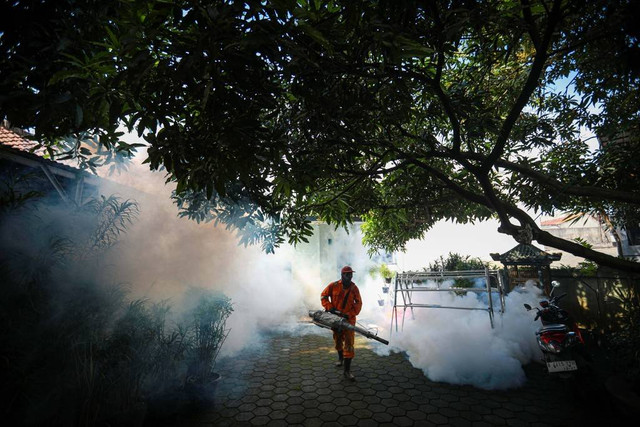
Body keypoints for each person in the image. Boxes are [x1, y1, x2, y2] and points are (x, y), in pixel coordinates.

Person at [320, 265, 362, 381]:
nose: (350, 276)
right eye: (347, 274)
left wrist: (350, 314)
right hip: (335, 319)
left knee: (349, 344)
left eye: (351, 274)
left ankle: (347, 371)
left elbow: (358, 303)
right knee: (338, 340)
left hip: (349, 320)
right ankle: (340, 359)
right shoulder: (333, 286)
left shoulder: (354, 288)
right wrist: (329, 307)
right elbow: (323, 296)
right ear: (342, 275)